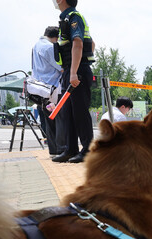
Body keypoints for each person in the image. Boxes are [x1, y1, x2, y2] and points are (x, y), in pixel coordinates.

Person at [52, 0, 95, 164]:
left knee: (80, 112)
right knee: (68, 113)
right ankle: (70, 150)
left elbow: (78, 44)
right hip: (71, 70)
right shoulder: (66, 18)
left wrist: (74, 72)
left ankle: (87, 150)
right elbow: (92, 43)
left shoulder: (74, 17)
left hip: (76, 72)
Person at [31, 26, 63, 156]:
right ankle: (61, 149)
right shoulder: (50, 47)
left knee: (48, 120)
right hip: (53, 89)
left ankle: (53, 150)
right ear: (56, 38)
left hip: (41, 90)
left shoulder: (36, 46)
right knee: (59, 119)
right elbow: (61, 67)